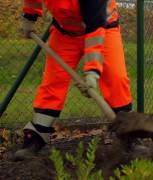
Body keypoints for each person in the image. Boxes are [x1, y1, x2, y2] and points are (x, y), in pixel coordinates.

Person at [15, 0, 133, 158]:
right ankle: (35, 139)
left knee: (116, 80)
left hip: (103, 29)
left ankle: (131, 137)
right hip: (65, 32)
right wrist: (29, 16)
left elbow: (95, 29)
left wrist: (92, 71)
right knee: (53, 83)